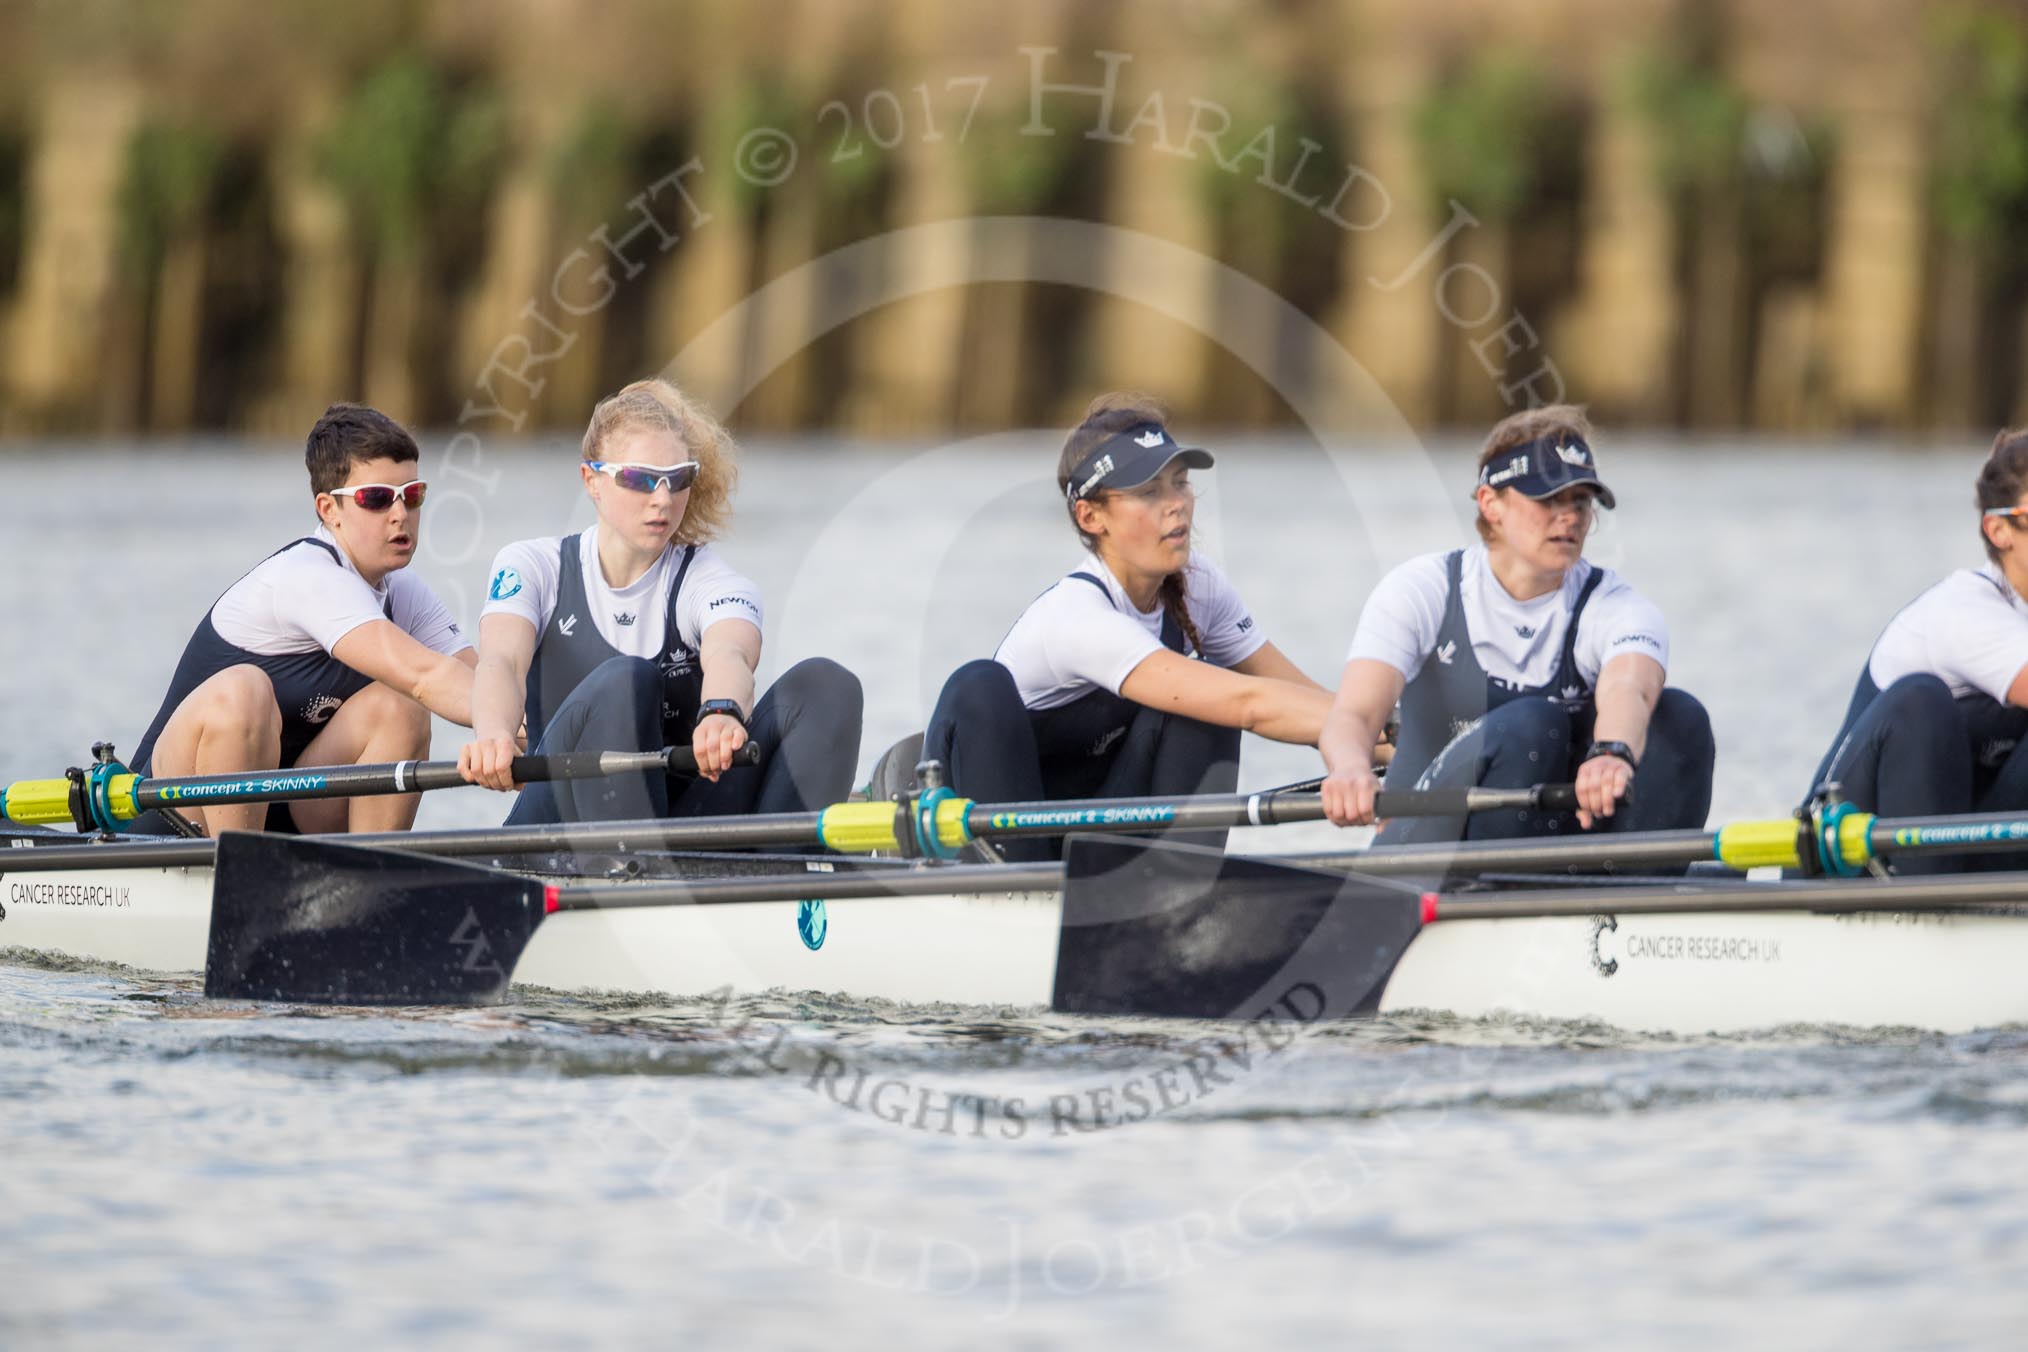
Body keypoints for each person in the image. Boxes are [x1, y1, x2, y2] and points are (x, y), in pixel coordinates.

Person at [921, 392, 1337, 862]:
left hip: (1096, 838)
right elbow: (1252, 704)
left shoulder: (1199, 586)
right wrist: (1363, 732)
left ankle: (1178, 893)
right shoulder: (1076, 617)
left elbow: (1306, 702)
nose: (1176, 504)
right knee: (979, 683)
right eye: (1147, 492)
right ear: (1091, 516)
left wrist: (1401, 743)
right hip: (1003, 848)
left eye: (1179, 483)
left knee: (1202, 702)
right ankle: (1009, 896)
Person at [459, 378, 862, 823]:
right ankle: (629, 872)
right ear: (591, 480)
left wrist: (721, 711)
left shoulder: (709, 578)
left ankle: (784, 873)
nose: (663, 500)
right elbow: (501, 662)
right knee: (627, 679)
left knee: (826, 683)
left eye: (678, 479)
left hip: (689, 831)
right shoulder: (533, 565)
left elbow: (729, 652)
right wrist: (493, 736)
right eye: (640, 479)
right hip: (562, 826)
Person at [1320, 405, 1713, 844]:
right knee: (1533, 722)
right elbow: (1354, 713)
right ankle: (1494, 893)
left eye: (1580, 501)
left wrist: (1611, 753)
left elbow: (1630, 687)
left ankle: (1635, 891)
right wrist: (1351, 769)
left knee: (1681, 717)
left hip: (1562, 860)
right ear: (1491, 504)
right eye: (1548, 499)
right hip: (1426, 851)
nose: (1570, 517)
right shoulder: (1422, 590)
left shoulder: (1615, 606)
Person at [128, 404, 477, 836]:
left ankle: (369, 881)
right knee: (245, 690)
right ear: (329, 510)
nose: (400, 513)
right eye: (377, 498)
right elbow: (427, 676)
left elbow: (479, 682)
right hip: (169, 815)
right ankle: (235, 876)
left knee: (400, 708)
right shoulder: (307, 577)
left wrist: (539, 733)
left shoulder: (404, 594)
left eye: (413, 495)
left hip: (285, 814)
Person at [1804, 429, 2028, 873]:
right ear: (1998, 529)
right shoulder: (1964, 609)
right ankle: (1924, 908)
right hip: (1848, 864)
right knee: (1921, 699)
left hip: (1967, 850)